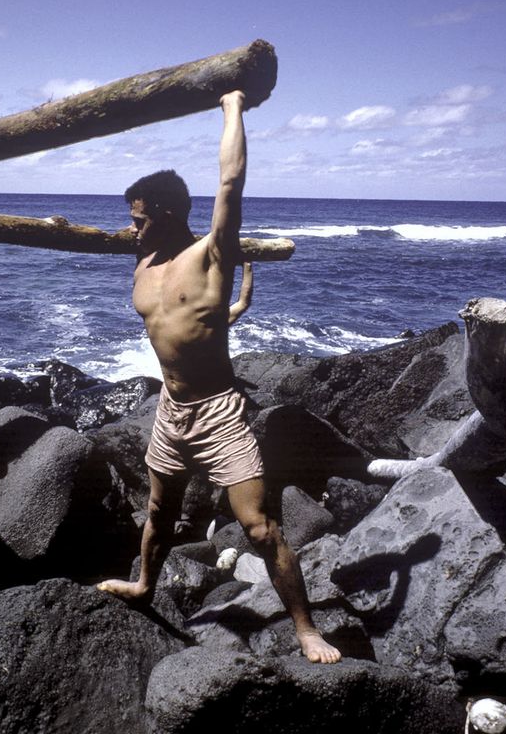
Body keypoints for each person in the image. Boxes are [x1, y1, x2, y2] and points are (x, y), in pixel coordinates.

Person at [97, 91, 341, 664]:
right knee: (159, 513)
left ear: (166, 215)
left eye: (138, 219)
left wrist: (232, 107)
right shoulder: (143, 261)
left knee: (258, 527)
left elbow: (230, 182)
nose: (130, 229)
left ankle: (306, 629)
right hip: (170, 412)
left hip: (219, 414)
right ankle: (144, 585)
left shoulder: (211, 255)